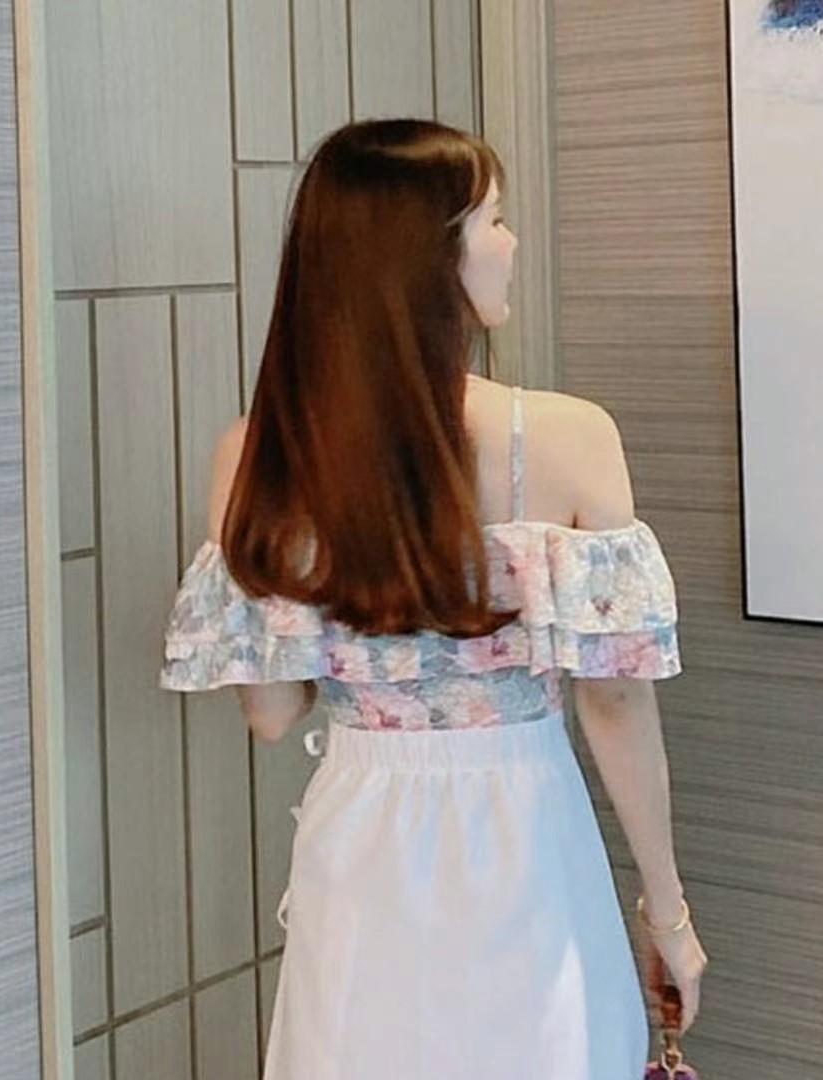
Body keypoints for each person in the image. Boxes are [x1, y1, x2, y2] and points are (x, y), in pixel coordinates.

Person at [159, 118, 707, 1080]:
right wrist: (667, 913)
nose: (511, 242)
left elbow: (273, 714)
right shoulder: (569, 436)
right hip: (525, 829)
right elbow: (615, 703)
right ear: (428, 256)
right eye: (493, 220)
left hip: (360, 833)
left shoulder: (255, 455)